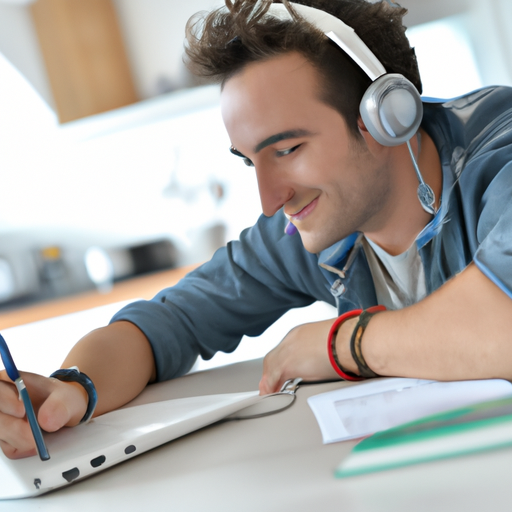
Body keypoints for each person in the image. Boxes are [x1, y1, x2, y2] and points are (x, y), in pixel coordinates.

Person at [2, 0, 512, 460]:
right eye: (251, 162)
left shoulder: (501, 152)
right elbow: (168, 324)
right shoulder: (316, 227)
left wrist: (343, 345)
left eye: (287, 149)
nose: (269, 200)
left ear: (386, 118)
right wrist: (72, 390)